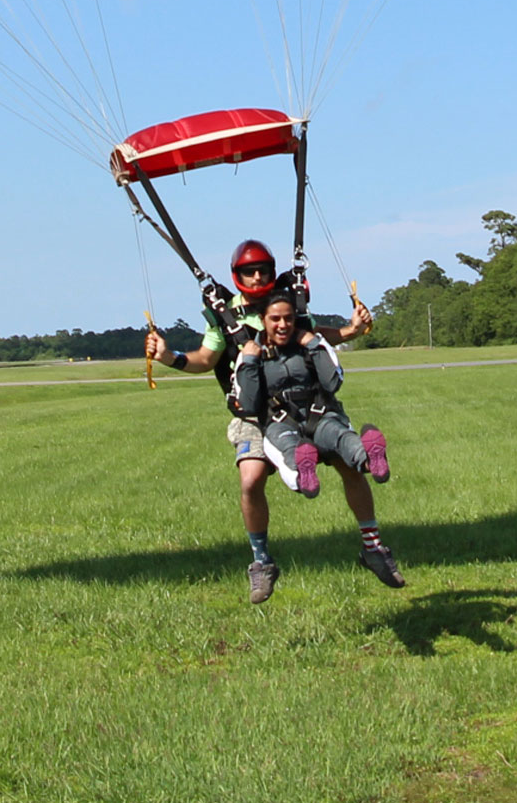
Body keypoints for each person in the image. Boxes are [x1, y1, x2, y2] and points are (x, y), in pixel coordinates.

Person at [143, 239, 402, 604]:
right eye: (249, 271)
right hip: (254, 412)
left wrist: (350, 332)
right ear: (237, 276)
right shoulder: (224, 314)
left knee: (349, 463)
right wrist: (169, 357)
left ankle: (373, 546)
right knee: (250, 480)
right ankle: (262, 562)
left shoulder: (289, 302)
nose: (257, 276)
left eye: (263, 269)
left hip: (306, 402)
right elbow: (205, 358)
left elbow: (311, 332)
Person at [233, 292, 390, 503]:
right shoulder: (250, 353)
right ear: (263, 320)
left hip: (320, 416)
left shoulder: (312, 343)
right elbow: (248, 403)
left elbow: (333, 382)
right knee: (289, 448)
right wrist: (250, 362)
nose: (283, 325)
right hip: (279, 422)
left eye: (288, 318)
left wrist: (313, 345)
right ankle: (302, 477)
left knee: (340, 435)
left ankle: (371, 460)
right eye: (275, 319)